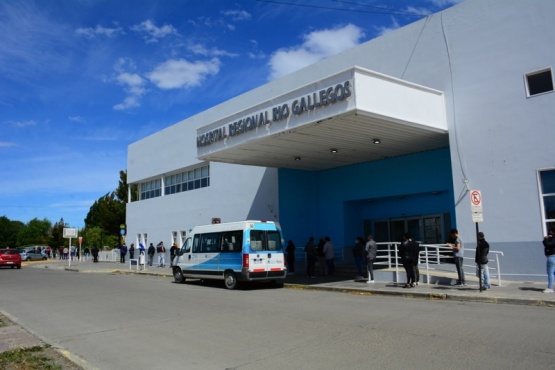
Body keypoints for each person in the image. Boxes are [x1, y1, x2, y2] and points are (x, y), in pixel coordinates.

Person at [541, 228, 555, 293]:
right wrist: (545, 239)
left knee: (550, 272)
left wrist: (546, 239)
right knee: (553, 273)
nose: (549, 234)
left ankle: (550, 288)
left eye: (550, 233)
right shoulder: (551, 239)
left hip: (552, 257)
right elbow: (545, 244)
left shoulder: (554, 239)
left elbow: (548, 245)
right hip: (551, 257)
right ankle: (550, 287)